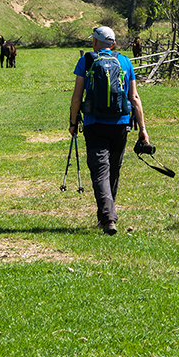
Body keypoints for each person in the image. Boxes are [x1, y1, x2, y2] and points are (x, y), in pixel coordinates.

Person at [70, 25, 149, 235]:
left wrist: (72, 122)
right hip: (121, 123)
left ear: (95, 42)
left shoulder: (86, 61)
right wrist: (143, 129)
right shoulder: (124, 61)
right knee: (113, 169)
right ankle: (107, 215)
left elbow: (77, 96)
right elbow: (134, 98)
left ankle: (108, 218)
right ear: (112, 43)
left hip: (94, 124)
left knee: (100, 171)